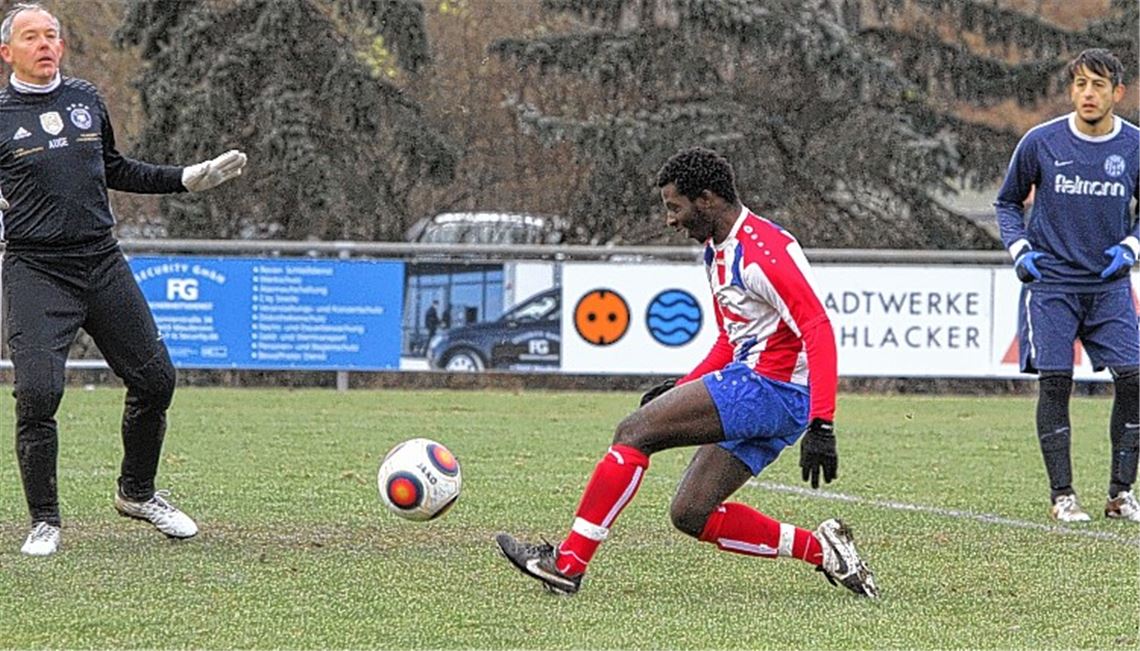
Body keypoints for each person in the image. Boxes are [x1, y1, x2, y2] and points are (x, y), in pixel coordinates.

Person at [495, 147, 878, 597]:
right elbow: (728, 339)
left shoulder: (764, 252)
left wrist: (823, 423)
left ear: (708, 199)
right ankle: (827, 551)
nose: (671, 220)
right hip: (763, 391)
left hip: (770, 390)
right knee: (691, 513)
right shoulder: (718, 251)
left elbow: (817, 328)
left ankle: (568, 564)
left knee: (633, 432)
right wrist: (683, 385)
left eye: (675, 207)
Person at [0, 3, 248, 556]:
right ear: (6, 52)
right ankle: (45, 520)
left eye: (52, 36)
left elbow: (114, 167)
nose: (44, 44)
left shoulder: (86, 99)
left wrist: (186, 179)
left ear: (61, 47)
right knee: (39, 392)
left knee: (157, 379)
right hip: (36, 269)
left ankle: (137, 493)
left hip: (101, 261)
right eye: (31, 37)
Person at [994, 48, 1139, 523]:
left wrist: (1132, 247)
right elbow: (1008, 203)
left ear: (1117, 92)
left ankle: (1120, 495)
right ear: (1071, 90)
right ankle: (1063, 497)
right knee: (1056, 385)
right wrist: (1020, 252)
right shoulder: (1041, 142)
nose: (1088, 94)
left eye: (1098, 85)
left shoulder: (1134, 147)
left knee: (1135, 380)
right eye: (1080, 84)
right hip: (1052, 285)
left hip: (1109, 287)